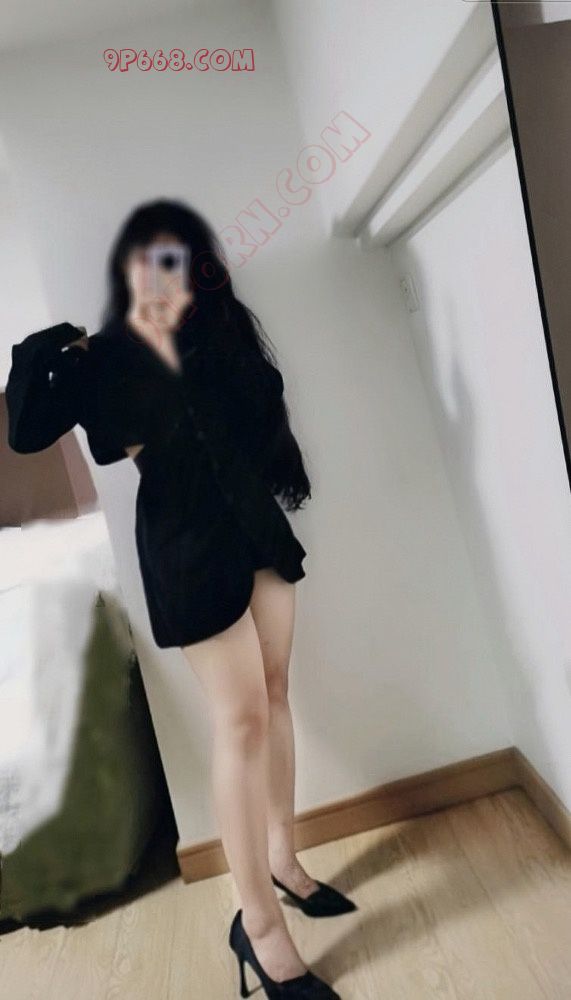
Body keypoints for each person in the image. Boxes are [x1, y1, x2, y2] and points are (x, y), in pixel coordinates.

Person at [6, 199, 356, 999]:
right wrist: (47, 346)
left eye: (177, 260)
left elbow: (263, 417)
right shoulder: (100, 359)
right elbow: (26, 428)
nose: (161, 276)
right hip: (186, 548)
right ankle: (257, 926)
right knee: (239, 722)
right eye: (146, 261)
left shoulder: (220, 337)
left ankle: (284, 861)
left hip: (255, 530)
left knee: (274, 695)